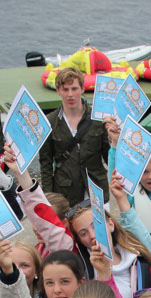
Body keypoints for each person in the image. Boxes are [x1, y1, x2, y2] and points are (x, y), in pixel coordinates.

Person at [66, 178, 151, 298]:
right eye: (83, 233)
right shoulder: (83, 272)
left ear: (111, 224)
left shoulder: (139, 263)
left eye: (96, 226)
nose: (92, 235)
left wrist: (122, 198)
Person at [39, 68, 110, 205]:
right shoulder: (49, 122)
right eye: (65, 89)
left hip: (97, 189)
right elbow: (46, 164)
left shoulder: (98, 118)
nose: (70, 94)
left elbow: (109, 156)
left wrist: (115, 140)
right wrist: (48, 198)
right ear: (58, 90)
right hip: (66, 193)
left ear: (82, 89)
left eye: (74, 88)